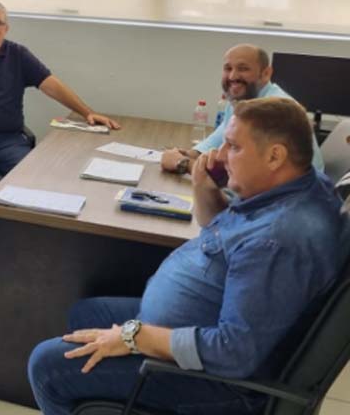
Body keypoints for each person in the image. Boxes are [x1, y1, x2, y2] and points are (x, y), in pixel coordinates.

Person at [27, 97, 348, 414]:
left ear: (276, 156)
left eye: (234, 147)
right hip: (205, 322)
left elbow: (234, 353)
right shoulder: (298, 185)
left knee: (47, 367)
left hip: (220, 383)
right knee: (85, 313)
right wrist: (206, 187)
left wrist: (136, 337)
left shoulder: (279, 240)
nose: (219, 156)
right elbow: (226, 234)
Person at [0, 0, 119, 251]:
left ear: (6, 28)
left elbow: (51, 85)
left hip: (7, 139)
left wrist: (88, 113)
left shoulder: (18, 55)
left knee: (35, 177)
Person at [161, 43, 324, 174]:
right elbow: (221, 136)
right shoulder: (244, 100)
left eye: (243, 69)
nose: (232, 76)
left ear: (265, 73)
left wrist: (183, 164)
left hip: (288, 202)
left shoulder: (272, 111)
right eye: (228, 68)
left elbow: (240, 174)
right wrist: (192, 153)